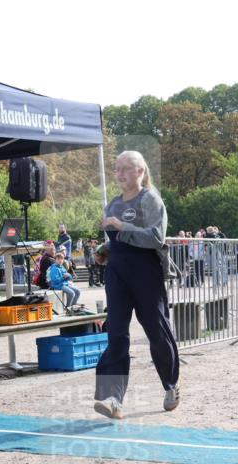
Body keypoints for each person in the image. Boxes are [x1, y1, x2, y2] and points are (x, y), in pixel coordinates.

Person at [93, 150, 180, 419]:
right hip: (117, 273)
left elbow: (156, 237)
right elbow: (116, 241)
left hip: (146, 272)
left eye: (126, 168)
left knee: (157, 331)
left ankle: (171, 384)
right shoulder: (113, 204)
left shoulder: (150, 199)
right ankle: (112, 399)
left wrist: (122, 227)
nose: (119, 174)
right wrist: (104, 250)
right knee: (116, 333)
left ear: (140, 171)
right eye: (117, 169)